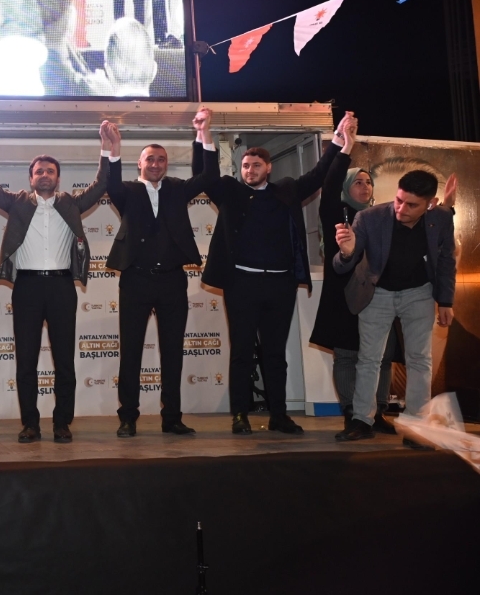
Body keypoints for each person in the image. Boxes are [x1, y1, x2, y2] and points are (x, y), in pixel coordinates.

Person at [0, 132, 119, 443]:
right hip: (27, 287)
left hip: (62, 287)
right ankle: (30, 424)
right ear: (31, 178)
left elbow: (101, 184)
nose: (44, 175)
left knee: (64, 360)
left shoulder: (71, 203)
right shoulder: (17, 202)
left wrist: (107, 147)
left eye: (50, 171)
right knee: (26, 361)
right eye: (39, 171)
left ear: (58, 178)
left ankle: (62, 423)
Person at [195, 131, 341, 435]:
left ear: (269, 167)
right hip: (241, 285)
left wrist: (339, 142)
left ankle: (279, 415)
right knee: (241, 352)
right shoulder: (231, 192)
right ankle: (240, 415)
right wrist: (203, 136)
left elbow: (317, 175)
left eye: (256, 165)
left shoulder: (286, 190)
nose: (250, 170)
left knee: (275, 354)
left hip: (280, 286)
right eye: (246, 166)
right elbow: (205, 177)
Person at [106, 108, 219, 438]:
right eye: (150, 159)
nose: (155, 164)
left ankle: (172, 418)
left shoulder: (177, 189)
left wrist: (203, 133)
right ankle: (128, 417)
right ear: (139, 164)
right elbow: (109, 182)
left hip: (172, 280)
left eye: (161, 159)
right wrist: (114, 146)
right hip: (135, 280)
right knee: (131, 352)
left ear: (166, 164)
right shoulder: (127, 191)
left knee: (172, 352)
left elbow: (209, 176)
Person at [334, 170, 457, 444]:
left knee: (420, 359)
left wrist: (446, 301)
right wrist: (347, 252)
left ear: (430, 204)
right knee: (369, 358)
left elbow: (447, 260)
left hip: (420, 293)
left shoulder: (441, 218)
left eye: (412, 205)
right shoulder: (369, 217)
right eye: (399, 200)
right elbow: (341, 265)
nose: (401, 209)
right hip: (377, 292)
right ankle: (362, 420)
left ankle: (416, 426)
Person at [309, 112, 413, 432]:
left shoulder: (382, 216)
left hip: (380, 295)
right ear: (346, 187)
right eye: (358, 181)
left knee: (381, 355)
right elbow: (328, 185)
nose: (365, 186)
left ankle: (376, 412)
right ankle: (352, 412)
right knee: (347, 355)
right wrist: (346, 147)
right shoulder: (335, 211)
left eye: (368, 182)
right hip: (343, 294)